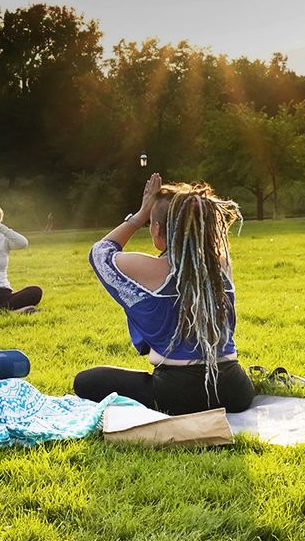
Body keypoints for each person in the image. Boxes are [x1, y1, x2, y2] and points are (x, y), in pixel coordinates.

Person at [73, 174, 255, 414]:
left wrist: (140, 215)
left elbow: (100, 252)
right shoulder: (221, 265)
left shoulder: (150, 268)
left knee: (85, 380)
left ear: (157, 228)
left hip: (177, 392)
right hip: (236, 391)